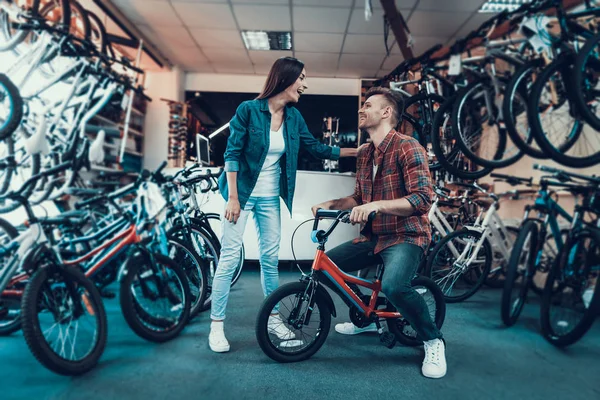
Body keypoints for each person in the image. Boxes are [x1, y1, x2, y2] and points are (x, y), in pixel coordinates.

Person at [209, 57, 358, 353]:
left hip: (269, 199)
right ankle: (216, 325)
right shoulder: (249, 111)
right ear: (285, 79)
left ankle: (273, 319)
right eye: (301, 78)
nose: (304, 84)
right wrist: (235, 198)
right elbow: (233, 154)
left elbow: (316, 148)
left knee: (269, 259)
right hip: (243, 194)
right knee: (228, 258)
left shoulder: (293, 118)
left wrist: (357, 150)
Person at [311, 87, 446, 379]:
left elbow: (422, 199)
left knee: (395, 286)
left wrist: (377, 205)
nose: (362, 110)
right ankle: (366, 318)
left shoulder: (408, 147)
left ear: (386, 112)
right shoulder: (365, 154)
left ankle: (433, 339)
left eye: (368, 105)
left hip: (406, 236)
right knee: (325, 270)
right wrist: (331, 205)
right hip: (373, 237)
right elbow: (359, 198)